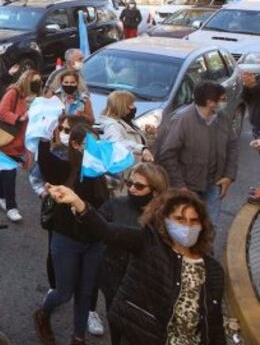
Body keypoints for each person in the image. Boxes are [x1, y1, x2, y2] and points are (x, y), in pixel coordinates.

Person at [46, 186, 225, 345]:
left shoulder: (213, 270)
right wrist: (77, 202)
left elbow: (214, 323)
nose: (187, 226)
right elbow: (106, 231)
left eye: (194, 221)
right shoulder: (148, 243)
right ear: (164, 220)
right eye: (180, 219)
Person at [34, 121, 108, 345]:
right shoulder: (63, 168)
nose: (94, 149)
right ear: (75, 145)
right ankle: (43, 313)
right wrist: (45, 136)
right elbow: (44, 159)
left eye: (96, 144)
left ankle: (78, 338)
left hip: (94, 241)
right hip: (66, 239)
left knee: (86, 292)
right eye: (88, 144)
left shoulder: (101, 169)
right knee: (64, 292)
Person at [96, 163, 169, 345]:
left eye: (139, 186)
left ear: (156, 191)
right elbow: (96, 227)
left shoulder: (168, 217)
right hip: (114, 281)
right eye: (130, 183)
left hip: (148, 291)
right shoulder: (114, 205)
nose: (132, 189)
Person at [156, 80, 238, 222]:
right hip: (187, 188)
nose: (225, 102)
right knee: (185, 228)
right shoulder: (182, 120)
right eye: (223, 99)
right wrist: (180, 186)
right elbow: (167, 155)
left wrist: (229, 176)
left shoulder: (222, 118)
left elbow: (232, 144)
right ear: (210, 102)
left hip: (214, 184)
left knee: (210, 227)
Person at [0, 69, 41, 222]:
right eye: (34, 81)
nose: (37, 84)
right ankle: (11, 207)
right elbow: (2, 112)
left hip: (21, 141)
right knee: (10, 171)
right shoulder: (14, 92)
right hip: (9, 139)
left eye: (39, 81)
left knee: (7, 169)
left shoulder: (36, 97)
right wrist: (19, 118)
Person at [97, 90, 154, 163]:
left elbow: (138, 141)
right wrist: (142, 149)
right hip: (125, 171)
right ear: (122, 106)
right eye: (131, 104)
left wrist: (149, 134)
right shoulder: (112, 125)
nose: (134, 107)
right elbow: (117, 143)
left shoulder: (130, 122)